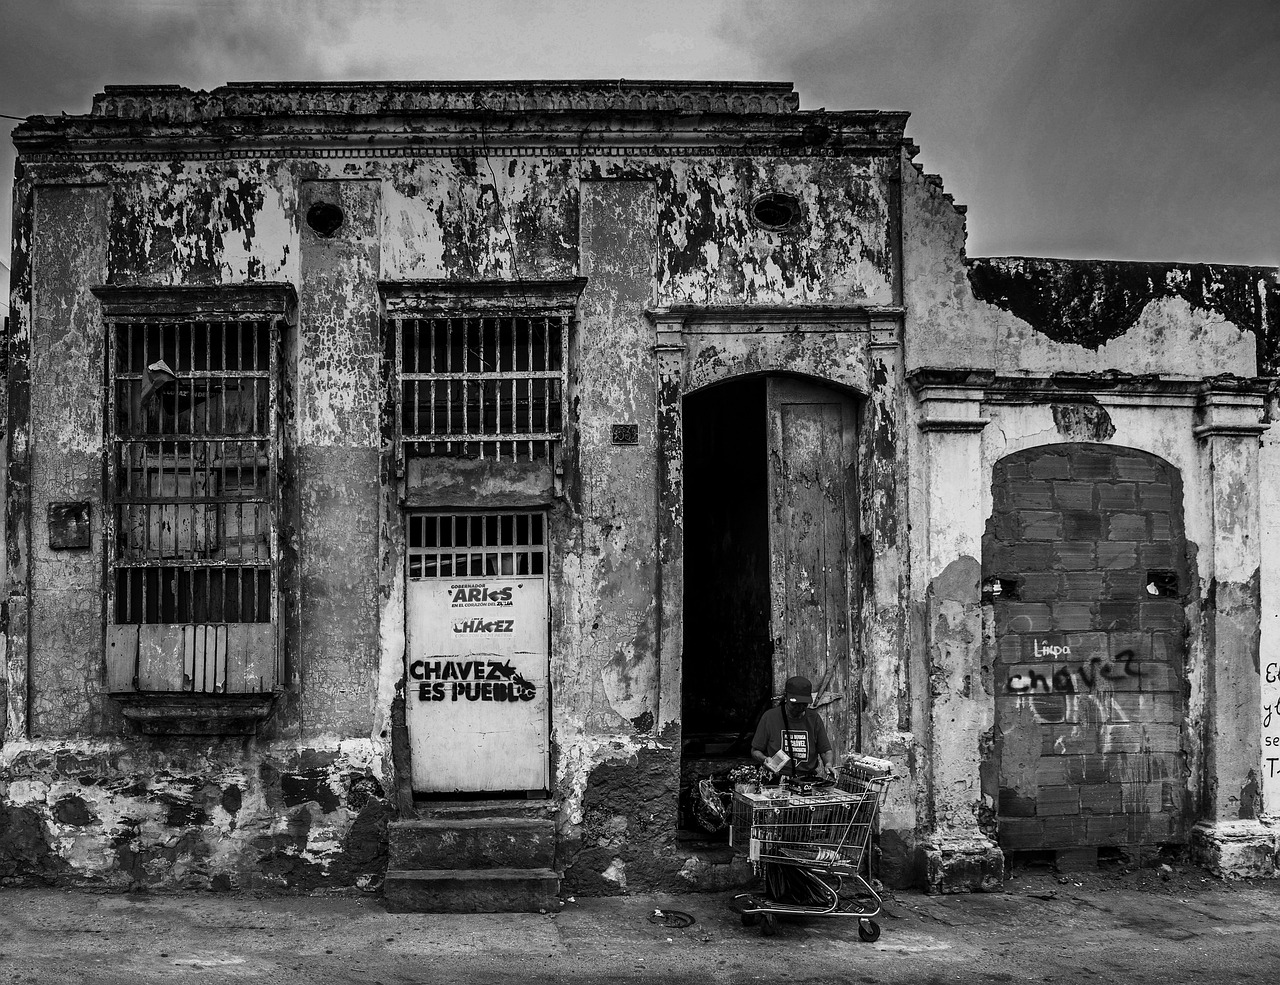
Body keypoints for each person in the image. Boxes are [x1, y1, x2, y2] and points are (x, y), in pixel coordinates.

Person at [750, 675, 835, 779]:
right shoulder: (770, 717)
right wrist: (765, 759)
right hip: (777, 778)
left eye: (804, 704)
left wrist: (828, 764)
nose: (799, 708)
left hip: (806, 779)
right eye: (795, 704)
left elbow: (825, 750)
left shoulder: (814, 718)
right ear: (786, 698)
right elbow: (755, 750)